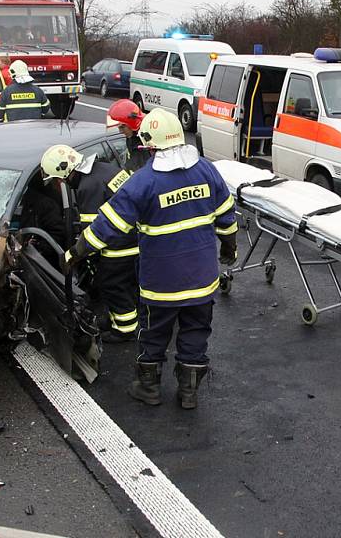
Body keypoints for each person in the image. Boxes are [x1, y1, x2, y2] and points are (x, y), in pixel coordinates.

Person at [64, 108, 238, 409]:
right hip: (202, 279)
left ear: (149, 144)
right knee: (195, 332)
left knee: (154, 334)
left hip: (161, 284)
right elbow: (226, 213)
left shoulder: (142, 182)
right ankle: (188, 393)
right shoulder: (206, 170)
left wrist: (76, 252)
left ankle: (149, 388)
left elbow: (107, 227)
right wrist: (228, 247)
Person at [41, 144, 138, 342]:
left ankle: (124, 330)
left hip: (120, 247)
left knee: (113, 286)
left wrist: (75, 254)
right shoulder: (105, 169)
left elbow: (95, 233)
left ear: (65, 171)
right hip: (137, 237)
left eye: (58, 179)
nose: (60, 183)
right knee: (129, 286)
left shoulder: (88, 187)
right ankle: (116, 320)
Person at [107, 99, 152, 172]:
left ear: (133, 124)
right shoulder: (132, 137)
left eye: (122, 127)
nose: (120, 131)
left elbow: (140, 170)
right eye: (119, 127)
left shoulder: (143, 145)